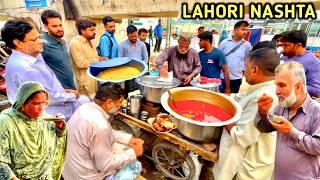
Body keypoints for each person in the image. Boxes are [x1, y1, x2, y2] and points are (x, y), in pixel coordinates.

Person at [2, 19, 90, 121]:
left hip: (59, 104)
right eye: (34, 39)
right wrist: (72, 95)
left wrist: (63, 91)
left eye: (39, 37)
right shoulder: (26, 69)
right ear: (18, 43)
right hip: (53, 116)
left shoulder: (34, 55)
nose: (41, 41)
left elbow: (47, 85)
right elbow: (50, 98)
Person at [212, 48, 280, 179]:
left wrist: (222, 115)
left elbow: (241, 137)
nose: (244, 71)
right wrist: (218, 99)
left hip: (246, 166)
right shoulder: (267, 87)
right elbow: (241, 98)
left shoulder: (262, 97)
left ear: (255, 70)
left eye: (246, 67)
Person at [63, 83, 144, 179]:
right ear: (109, 102)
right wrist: (133, 153)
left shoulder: (85, 107)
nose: (121, 105)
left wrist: (128, 140)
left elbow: (106, 132)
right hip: (84, 176)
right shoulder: (100, 125)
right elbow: (105, 165)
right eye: (120, 102)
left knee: (119, 147)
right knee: (134, 166)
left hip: (69, 170)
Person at [255, 61, 320, 180]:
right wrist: (262, 113)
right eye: (276, 85)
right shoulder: (282, 107)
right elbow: (264, 128)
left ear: (298, 87)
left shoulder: (316, 111)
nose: (276, 91)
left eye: (282, 85)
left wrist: (292, 132)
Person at [0, 81, 66, 180]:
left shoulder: (44, 119)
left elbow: (57, 139)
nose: (41, 108)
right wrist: (13, 178)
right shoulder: (6, 122)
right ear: (22, 102)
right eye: (36, 103)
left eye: (44, 103)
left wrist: (60, 127)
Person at [41, 9, 76, 90]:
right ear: (46, 27)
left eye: (60, 25)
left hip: (71, 89)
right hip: (60, 93)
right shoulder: (43, 44)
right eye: (54, 26)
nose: (59, 29)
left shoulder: (62, 41)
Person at [69, 18, 105, 97]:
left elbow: (93, 57)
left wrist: (100, 58)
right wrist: (97, 60)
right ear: (82, 31)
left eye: (94, 29)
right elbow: (80, 63)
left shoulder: (91, 41)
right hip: (85, 83)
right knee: (86, 104)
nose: (94, 32)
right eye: (91, 30)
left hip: (93, 79)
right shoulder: (75, 43)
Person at [278, 30, 320, 97]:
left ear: (298, 45)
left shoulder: (314, 62)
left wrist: (288, 84)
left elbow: (316, 91)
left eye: (286, 45)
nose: (282, 47)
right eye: (281, 44)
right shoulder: (284, 57)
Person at [219, 21, 251, 93]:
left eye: (246, 30)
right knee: (220, 97)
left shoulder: (247, 45)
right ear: (235, 30)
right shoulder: (224, 43)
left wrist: (243, 73)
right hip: (222, 76)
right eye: (243, 29)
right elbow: (219, 58)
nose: (245, 32)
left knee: (232, 98)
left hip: (236, 78)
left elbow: (246, 60)